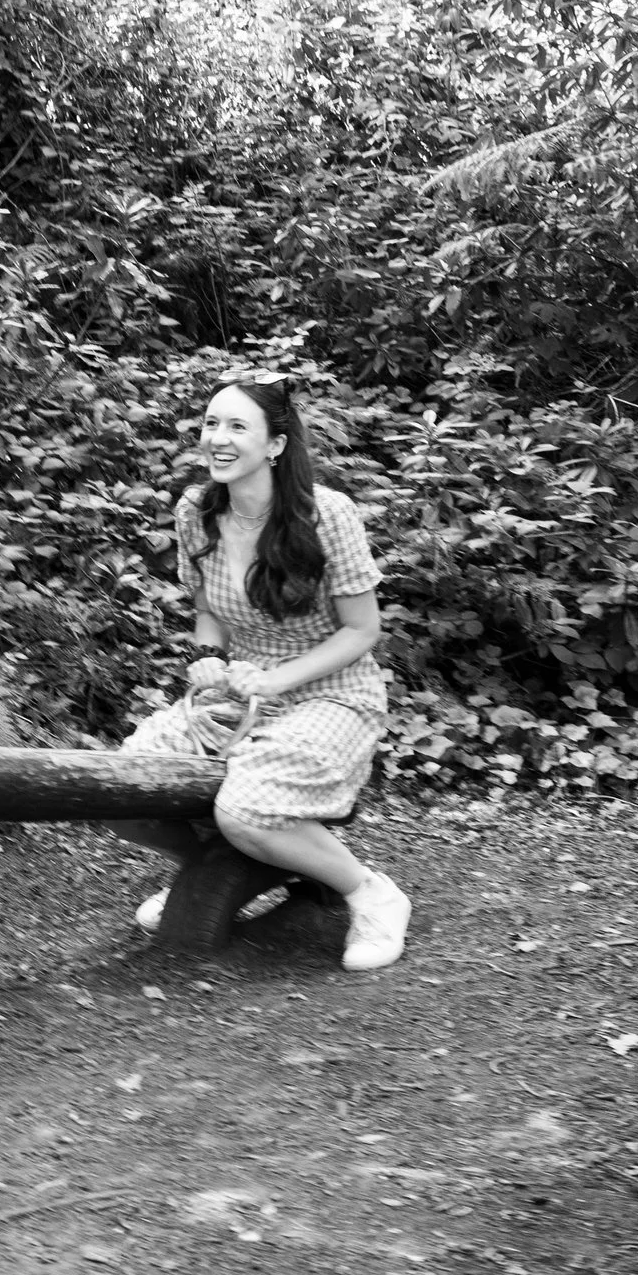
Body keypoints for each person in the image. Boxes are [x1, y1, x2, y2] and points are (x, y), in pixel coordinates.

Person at [111, 371, 411, 970]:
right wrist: (210, 658)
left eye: (237, 426)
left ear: (274, 444)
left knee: (246, 807)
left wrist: (277, 679)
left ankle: (370, 893)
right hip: (242, 695)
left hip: (333, 696)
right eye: (211, 423)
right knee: (125, 790)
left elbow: (363, 630)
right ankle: (217, 867)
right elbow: (207, 613)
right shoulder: (196, 511)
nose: (218, 438)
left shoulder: (327, 515)